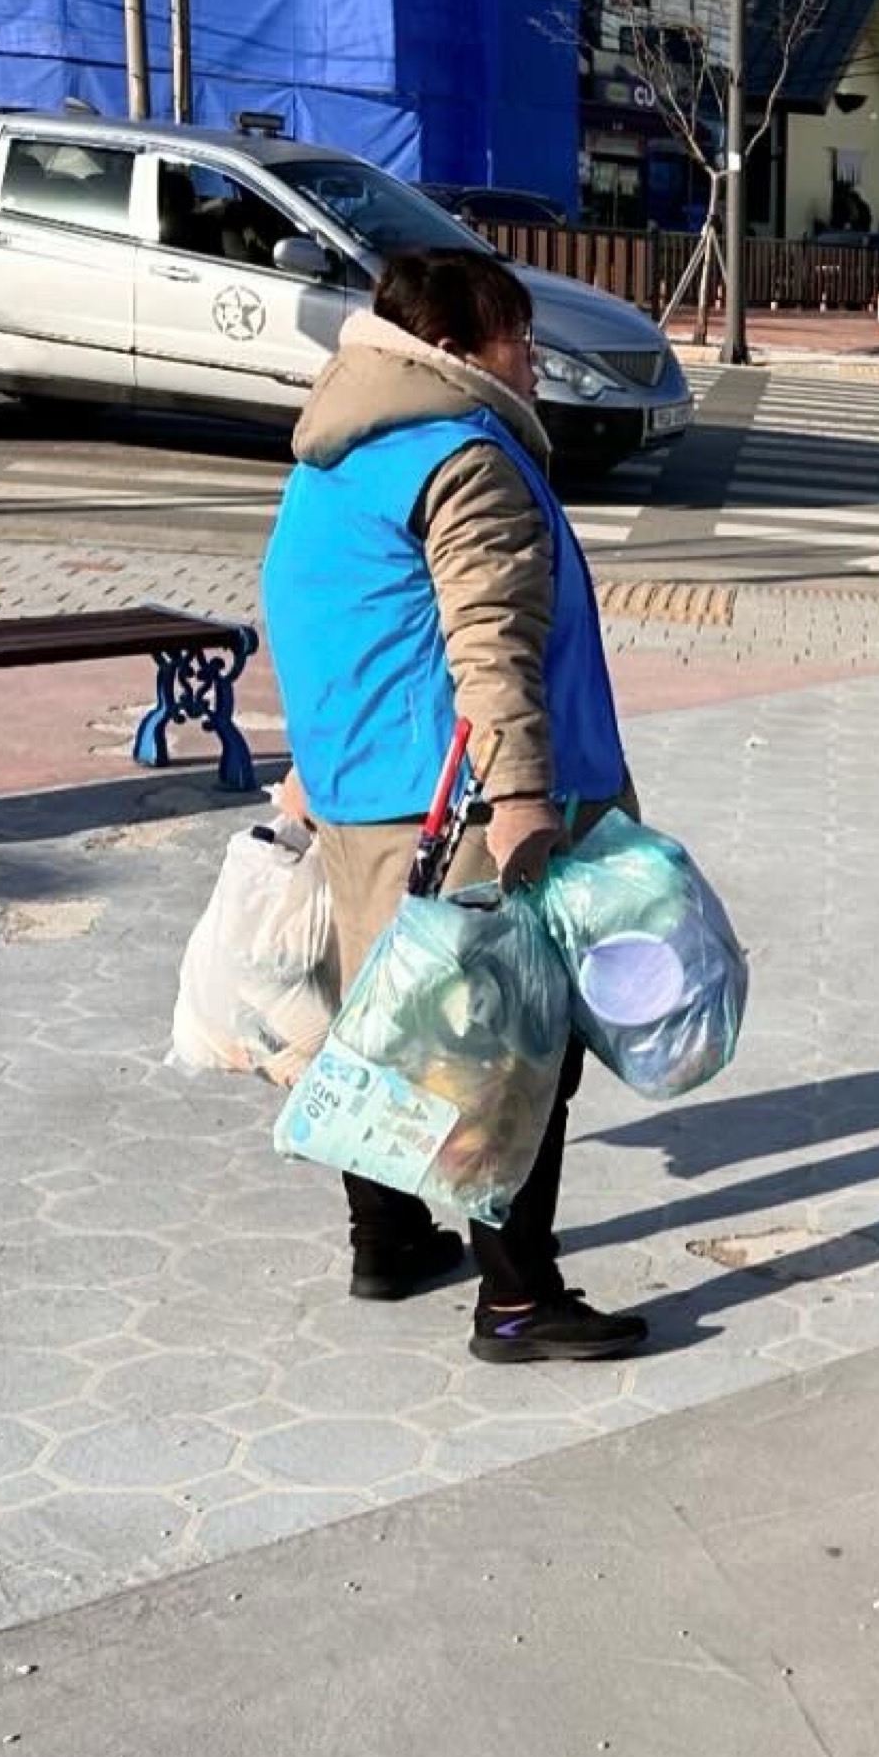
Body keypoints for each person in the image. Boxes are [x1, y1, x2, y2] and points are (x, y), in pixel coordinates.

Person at [258, 247, 647, 1363]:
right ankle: (519, 1301)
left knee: (388, 1027)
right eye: (516, 337)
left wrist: (309, 768)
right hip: (465, 804)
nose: (530, 360)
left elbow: (318, 615)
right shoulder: (462, 459)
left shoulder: (332, 456)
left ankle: (385, 1239)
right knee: (518, 1048)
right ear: (460, 349)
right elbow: (492, 645)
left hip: (364, 798)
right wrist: (524, 795)